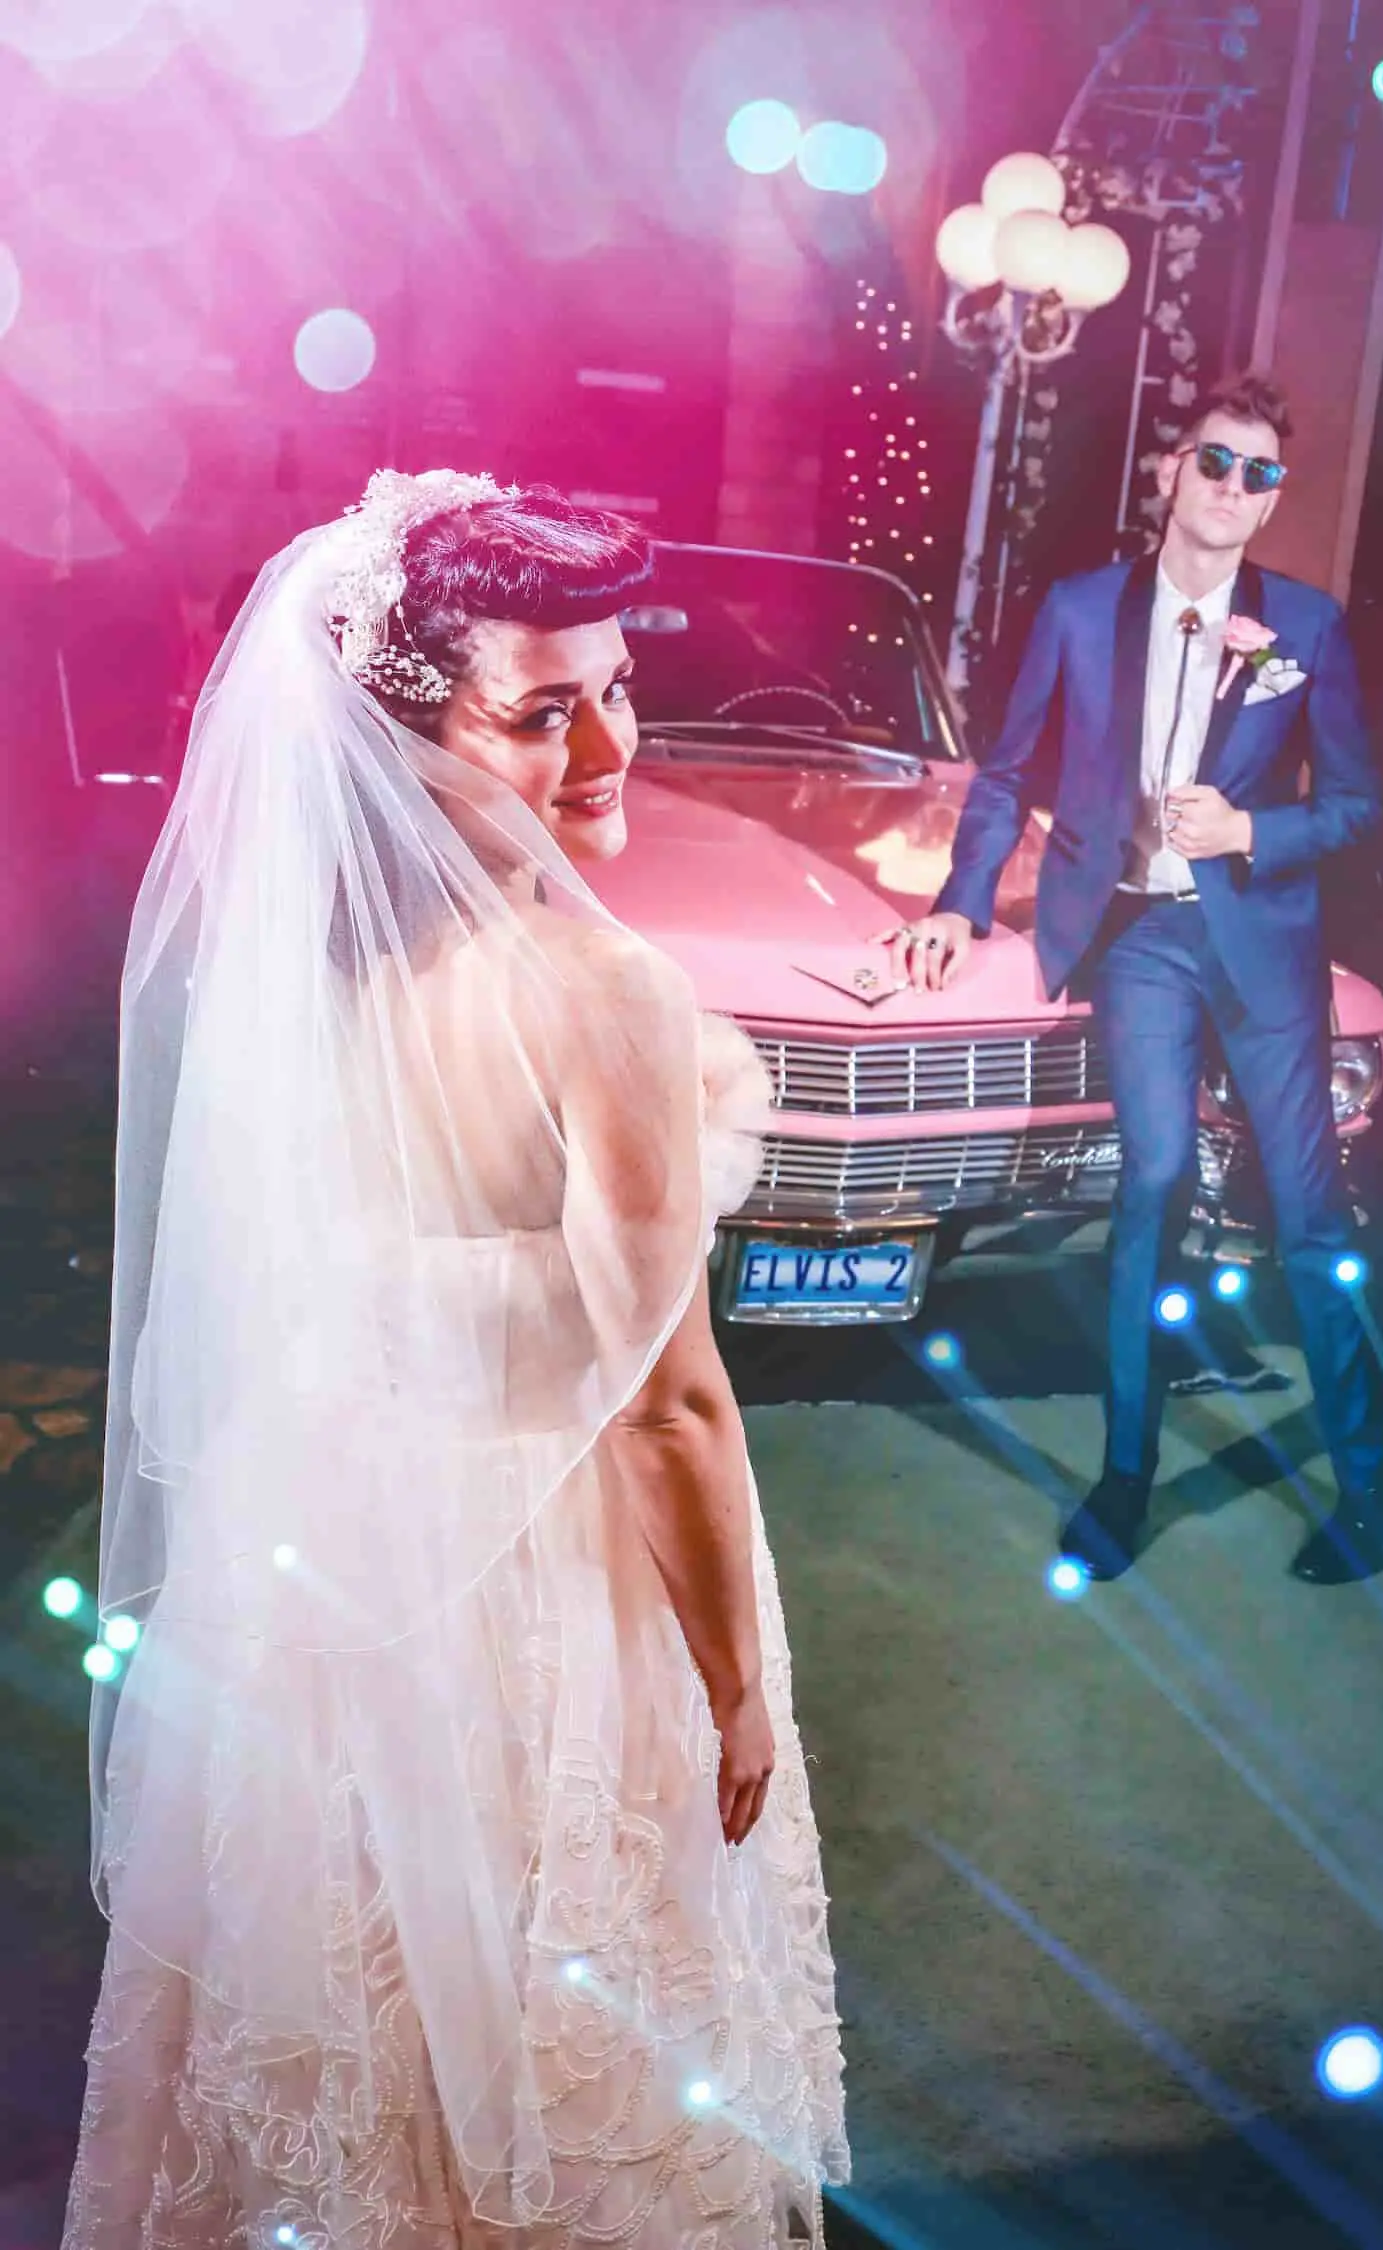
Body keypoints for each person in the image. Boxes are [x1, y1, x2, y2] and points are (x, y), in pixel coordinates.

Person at [65, 471, 847, 2248]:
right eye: (541, 709)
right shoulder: (598, 990)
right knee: (571, 2037)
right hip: (545, 1588)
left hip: (327, 1573)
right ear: (408, 722)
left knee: (345, 2027)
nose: (605, 746)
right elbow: (667, 1402)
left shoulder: (309, 968)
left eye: (619, 686)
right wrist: (734, 1685)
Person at [886, 372, 1383, 1586]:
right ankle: (1124, 1481)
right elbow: (1003, 775)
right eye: (1216, 462)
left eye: (1259, 475)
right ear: (1173, 471)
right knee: (1154, 1180)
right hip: (1144, 941)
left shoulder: (1306, 628)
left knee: (1312, 1211)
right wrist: (961, 904)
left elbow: (1362, 804)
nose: (1232, 489)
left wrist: (1252, 836)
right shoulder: (1079, 608)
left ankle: (1367, 1490)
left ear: (1274, 504)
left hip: (1265, 941)